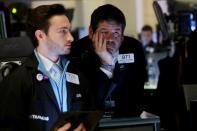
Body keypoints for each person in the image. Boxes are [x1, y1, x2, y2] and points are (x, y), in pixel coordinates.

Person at [0, 4, 92, 131]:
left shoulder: (79, 75)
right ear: (40, 36)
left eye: (69, 30)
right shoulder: (18, 80)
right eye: (63, 31)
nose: (71, 37)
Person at [69, 4, 148, 117]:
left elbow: (137, 93)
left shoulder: (134, 48)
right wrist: (106, 64)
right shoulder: (77, 51)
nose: (110, 39)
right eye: (104, 32)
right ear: (91, 32)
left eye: (116, 32)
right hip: (92, 120)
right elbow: (90, 101)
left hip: (127, 118)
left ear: (122, 36)